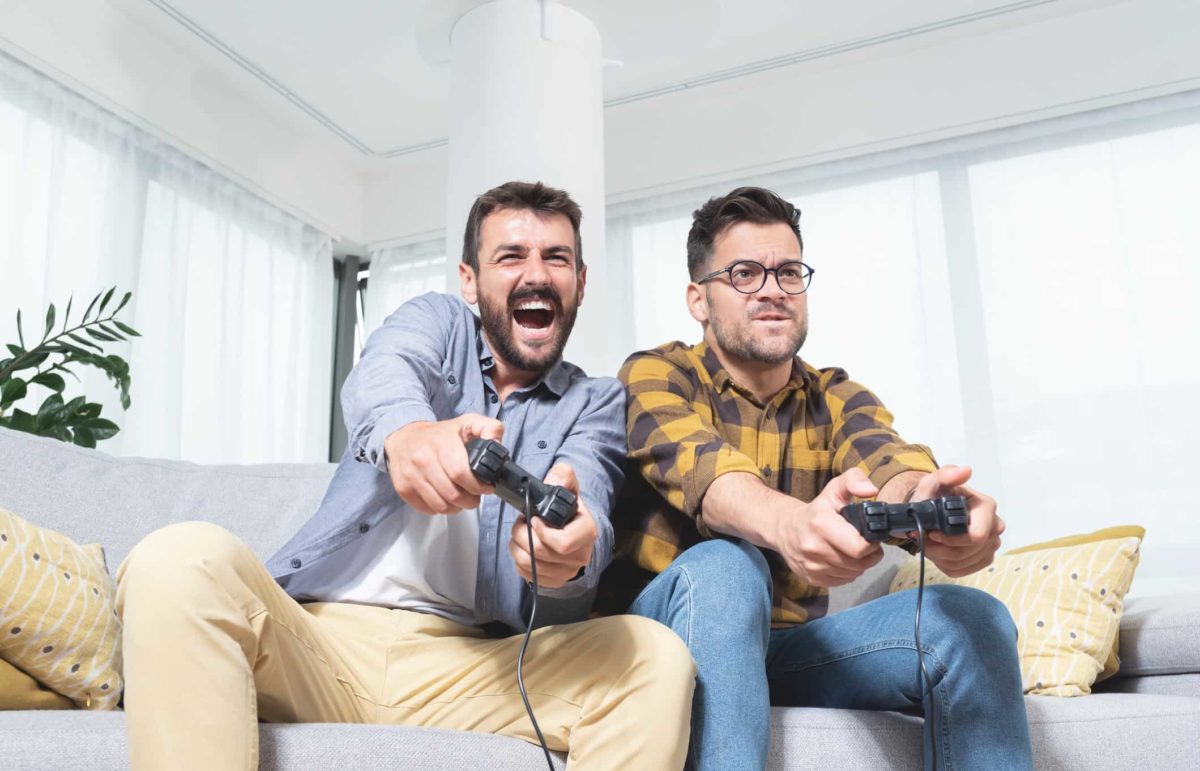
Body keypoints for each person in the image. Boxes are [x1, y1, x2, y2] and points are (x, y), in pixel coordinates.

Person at [116, 181, 695, 771]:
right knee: (179, 558)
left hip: (470, 668)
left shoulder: (596, 401)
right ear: (470, 280)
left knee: (655, 657)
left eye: (556, 258)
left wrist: (572, 552)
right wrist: (411, 435)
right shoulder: (437, 321)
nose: (537, 274)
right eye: (511, 256)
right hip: (317, 642)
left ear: (581, 282)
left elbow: (587, 491)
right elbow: (384, 372)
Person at [600, 185, 1033, 770]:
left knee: (972, 621)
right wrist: (790, 523)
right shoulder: (655, 374)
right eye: (745, 274)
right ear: (698, 300)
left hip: (784, 650)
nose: (773, 290)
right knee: (729, 566)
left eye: (788, 273)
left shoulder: (835, 394)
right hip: (663, 640)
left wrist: (930, 502)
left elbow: (888, 459)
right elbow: (706, 472)